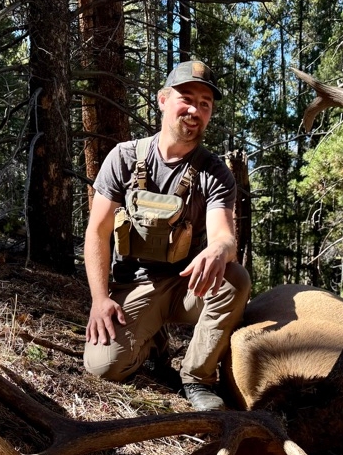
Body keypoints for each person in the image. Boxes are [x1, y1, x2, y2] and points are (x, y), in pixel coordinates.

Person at [83, 60, 250, 411]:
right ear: (162, 100)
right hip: (135, 285)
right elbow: (97, 233)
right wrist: (100, 299)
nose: (194, 110)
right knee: (103, 367)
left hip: (187, 285)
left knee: (235, 279)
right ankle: (154, 345)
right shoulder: (123, 158)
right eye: (186, 98)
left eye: (205, 104)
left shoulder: (215, 172)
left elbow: (224, 233)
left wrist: (220, 249)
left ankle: (197, 378)